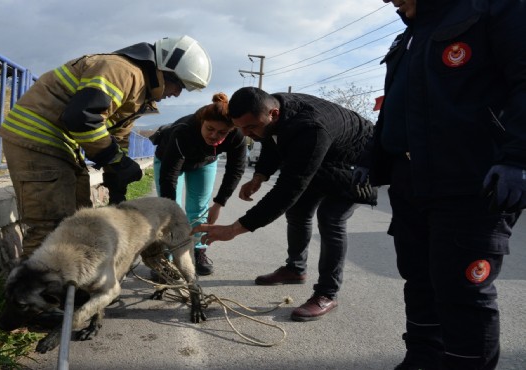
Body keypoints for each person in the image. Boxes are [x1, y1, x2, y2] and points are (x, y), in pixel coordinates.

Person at [352, 1, 526, 369]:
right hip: (410, 181)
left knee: (462, 293)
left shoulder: (495, 9)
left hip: (471, 180)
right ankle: (421, 359)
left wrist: (517, 158)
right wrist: (370, 158)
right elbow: (394, 109)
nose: (390, 1)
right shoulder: (410, 37)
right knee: (419, 281)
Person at [0, 35, 212, 258]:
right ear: (165, 71)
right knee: (51, 228)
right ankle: (32, 291)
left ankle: (68, 288)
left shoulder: (139, 90)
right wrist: (116, 161)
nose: (176, 93)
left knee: (76, 223)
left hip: (60, 146)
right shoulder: (121, 71)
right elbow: (82, 117)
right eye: (178, 85)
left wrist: (117, 181)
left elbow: (117, 136)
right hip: (37, 140)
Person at [192, 86, 377, 321]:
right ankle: (295, 268)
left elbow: (287, 189)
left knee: (331, 218)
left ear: (274, 114)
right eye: (242, 129)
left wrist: (234, 229)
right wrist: (260, 175)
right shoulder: (272, 113)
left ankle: (327, 293)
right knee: (298, 210)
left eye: (251, 127)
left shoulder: (311, 128)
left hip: (358, 163)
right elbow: (269, 139)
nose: (248, 134)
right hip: (326, 160)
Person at [152, 92, 247, 275]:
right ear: (202, 122)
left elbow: (235, 170)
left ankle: (198, 251)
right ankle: (168, 256)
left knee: (199, 207)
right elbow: (169, 176)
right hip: (168, 161)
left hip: (204, 162)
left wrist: (219, 203)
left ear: (231, 130)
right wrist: (172, 213)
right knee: (171, 209)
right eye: (210, 129)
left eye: (222, 132)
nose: (214, 136)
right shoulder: (184, 130)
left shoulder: (237, 136)